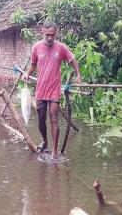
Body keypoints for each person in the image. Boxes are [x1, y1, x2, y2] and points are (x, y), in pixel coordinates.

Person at [24, 22, 81, 158]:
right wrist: (27, 73)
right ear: (42, 32)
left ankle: (54, 150)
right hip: (41, 90)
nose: (50, 38)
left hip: (54, 89)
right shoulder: (36, 47)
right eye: (47, 35)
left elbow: (73, 60)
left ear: (56, 34)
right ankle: (45, 141)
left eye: (52, 35)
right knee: (41, 119)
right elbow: (33, 65)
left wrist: (78, 74)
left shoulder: (61, 48)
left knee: (54, 117)